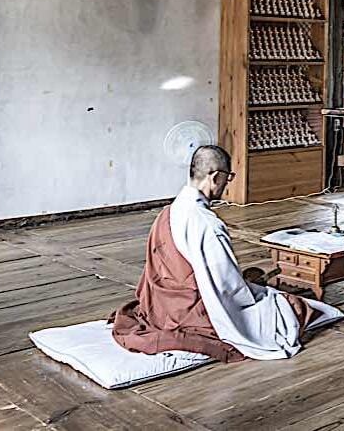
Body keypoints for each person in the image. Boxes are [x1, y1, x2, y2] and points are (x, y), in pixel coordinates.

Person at [110, 146, 329, 361]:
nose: (226, 185)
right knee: (293, 308)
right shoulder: (207, 225)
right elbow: (227, 289)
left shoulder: (169, 211)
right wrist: (253, 292)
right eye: (228, 178)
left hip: (161, 307)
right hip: (191, 313)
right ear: (215, 177)